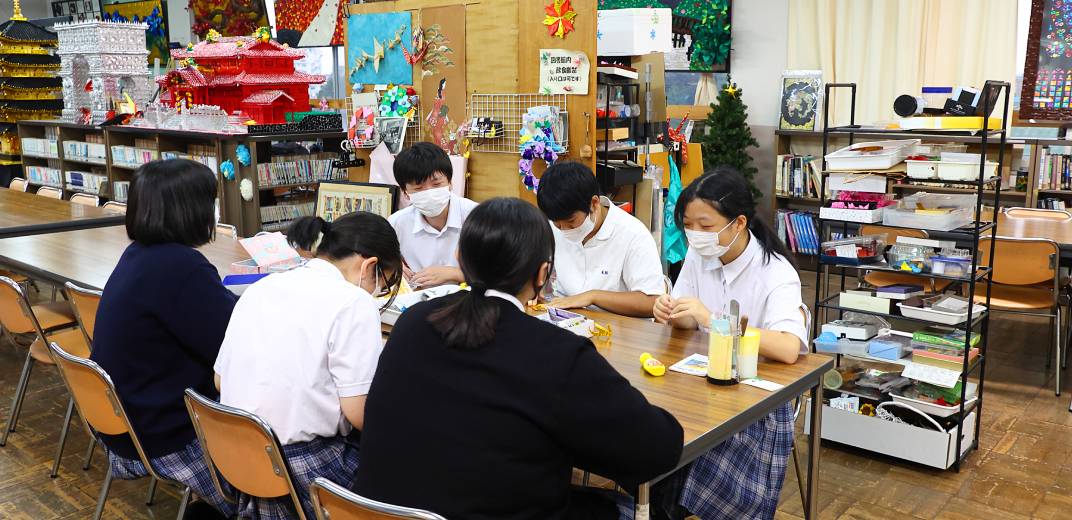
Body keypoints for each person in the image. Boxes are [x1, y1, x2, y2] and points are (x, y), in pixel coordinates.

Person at [355, 198, 684, 520]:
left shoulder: (412, 323)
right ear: (542, 273)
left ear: (459, 258)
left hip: (375, 512)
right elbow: (658, 449)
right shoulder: (555, 353)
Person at [214, 212, 402, 519]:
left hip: (237, 455)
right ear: (369, 266)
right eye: (382, 281)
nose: (376, 291)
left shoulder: (262, 286)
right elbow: (359, 415)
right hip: (303, 469)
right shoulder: (354, 302)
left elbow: (220, 381)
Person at [653, 167, 808, 519]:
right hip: (700, 383)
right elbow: (688, 321)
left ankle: (664, 503)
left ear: (738, 223)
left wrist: (713, 320)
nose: (695, 235)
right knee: (648, 431)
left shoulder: (775, 272)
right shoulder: (701, 256)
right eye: (688, 225)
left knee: (674, 457)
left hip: (753, 398)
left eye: (705, 226)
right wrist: (672, 311)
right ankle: (654, 499)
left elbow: (788, 348)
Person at [90, 159, 237, 518]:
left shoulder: (139, 255)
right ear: (191, 209)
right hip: (168, 433)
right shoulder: (181, 266)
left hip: (126, 423)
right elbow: (234, 343)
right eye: (210, 201)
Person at [536, 162, 664, 317]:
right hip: (568, 320)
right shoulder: (554, 226)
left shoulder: (633, 234)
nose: (564, 230)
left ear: (594, 203)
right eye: (557, 224)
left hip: (619, 327)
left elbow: (652, 302)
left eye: (571, 222)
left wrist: (592, 296)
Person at [387, 141, 477, 288]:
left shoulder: (476, 216)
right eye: (418, 188)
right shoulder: (397, 223)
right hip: (418, 297)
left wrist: (455, 273)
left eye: (436, 184)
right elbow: (381, 260)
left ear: (450, 183)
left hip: (470, 298)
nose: (429, 193)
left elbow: (498, 273)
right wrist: (392, 267)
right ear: (405, 192)